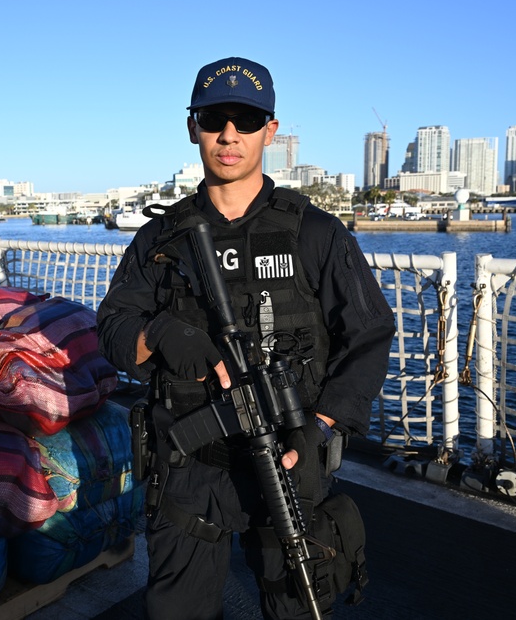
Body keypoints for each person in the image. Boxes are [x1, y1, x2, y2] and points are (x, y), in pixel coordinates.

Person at [97, 56, 395, 620]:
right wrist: (160, 333)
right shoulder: (161, 239)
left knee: (297, 604)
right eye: (214, 118)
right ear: (193, 127)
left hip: (287, 456)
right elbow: (113, 328)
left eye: (247, 119)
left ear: (271, 131)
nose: (229, 134)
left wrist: (322, 425)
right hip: (190, 467)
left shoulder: (314, 233)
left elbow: (368, 331)